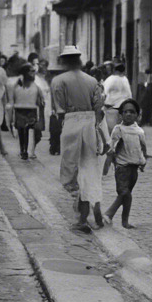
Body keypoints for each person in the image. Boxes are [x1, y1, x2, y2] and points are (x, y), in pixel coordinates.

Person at [51, 45, 107, 233]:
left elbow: (58, 110)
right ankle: (88, 208)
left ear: (65, 61)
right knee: (88, 168)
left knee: (69, 171)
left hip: (71, 122)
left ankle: (81, 212)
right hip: (90, 123)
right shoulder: (92, 81)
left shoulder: (59, 81)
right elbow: (99, 109)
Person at [103, 99, 148, 229]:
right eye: (125, 112)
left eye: (132, 112)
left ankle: (123, 221)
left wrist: (143, 161)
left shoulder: (140, 131)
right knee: (124, 193)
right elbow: (111, 147)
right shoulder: (118, 129)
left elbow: (143, 148)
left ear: (137, 116)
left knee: (126, 195)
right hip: (122, 168)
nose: (129, 114)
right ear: (121, 115)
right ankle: (109, 214)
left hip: (134, 168)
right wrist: (111, 161)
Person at [12, 64, 46, 160]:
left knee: (32, 132)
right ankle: (24, 150)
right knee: (22, 131)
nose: (33, 73)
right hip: (20, 110)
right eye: (31, 71)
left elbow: (41, 98)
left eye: (33, 71)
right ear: (25, 73)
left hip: (32, 111)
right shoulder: (17, 85)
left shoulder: (35, 84)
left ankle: (28, 150)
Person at [102, 62, 134, 134]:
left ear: (114, 70)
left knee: (111, 132)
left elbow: (104, 92)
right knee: (122, 132)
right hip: (123, 109)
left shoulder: (110, 79)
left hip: (111, 109)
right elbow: (129, 94)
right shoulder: (125, 79)